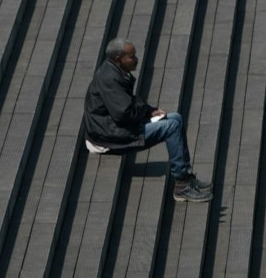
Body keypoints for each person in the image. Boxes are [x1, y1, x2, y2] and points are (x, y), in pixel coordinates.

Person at [83, 40, 212, 203]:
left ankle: (185, 175)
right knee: (171, 126)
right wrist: (145, 114)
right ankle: (182, 185)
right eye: (131, 57)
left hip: (114, 126)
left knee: (176, 118)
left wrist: (150, 111)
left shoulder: (116, 71)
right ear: (118, 58)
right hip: (107, 136)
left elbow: (128, 103)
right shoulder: (109, 79)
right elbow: (123, 113)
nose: (136, 59)